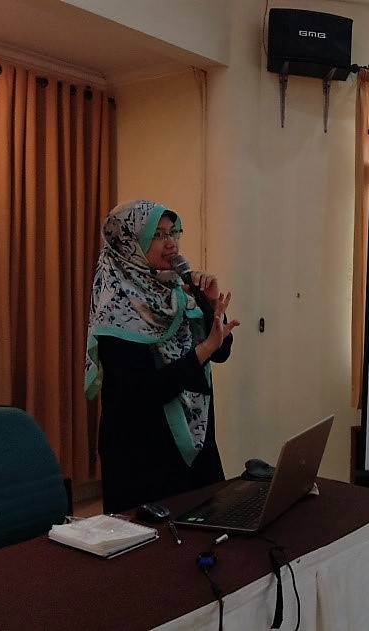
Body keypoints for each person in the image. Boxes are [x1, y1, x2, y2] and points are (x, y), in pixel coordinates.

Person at [85, 199, 240, 513]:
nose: (171, 243)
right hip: (142, 453)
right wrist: (203, 350)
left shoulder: (177, 291)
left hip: (195, 444)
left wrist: (210, 306)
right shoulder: (115, 308)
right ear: (129, 242)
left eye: (173, 232)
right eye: (158, 235)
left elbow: (221, 351)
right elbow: (144, 391)